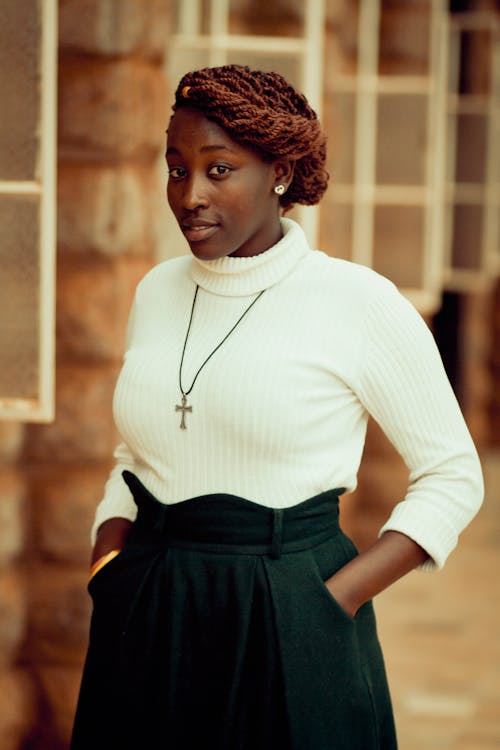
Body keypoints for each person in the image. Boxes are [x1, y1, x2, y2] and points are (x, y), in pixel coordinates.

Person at [70, 64, 483, 750]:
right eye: (176, 170)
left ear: (281, 173)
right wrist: (109, 552)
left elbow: (452, 475)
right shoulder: (157, 290)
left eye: (219, 169)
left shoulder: (359, 303)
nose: (190, 195)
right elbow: (136, 450)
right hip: (149, 604)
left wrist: (333, 599)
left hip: (294, 606)